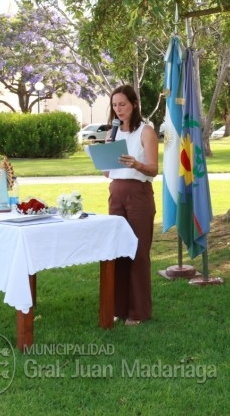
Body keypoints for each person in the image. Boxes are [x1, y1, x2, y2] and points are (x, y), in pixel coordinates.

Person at [105, 84, 158, 325]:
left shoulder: (146, 131)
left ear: (134, 104)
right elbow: (108, 172)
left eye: (122, 104)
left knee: (137, 251)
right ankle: (119, 307)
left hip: (138, 195)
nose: (118, 109)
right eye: (115, 105)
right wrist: (103, 158)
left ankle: (138, 311)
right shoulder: (112, 133)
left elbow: (154, 169)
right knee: (117, 251)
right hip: (115, 193)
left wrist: (136, 164)